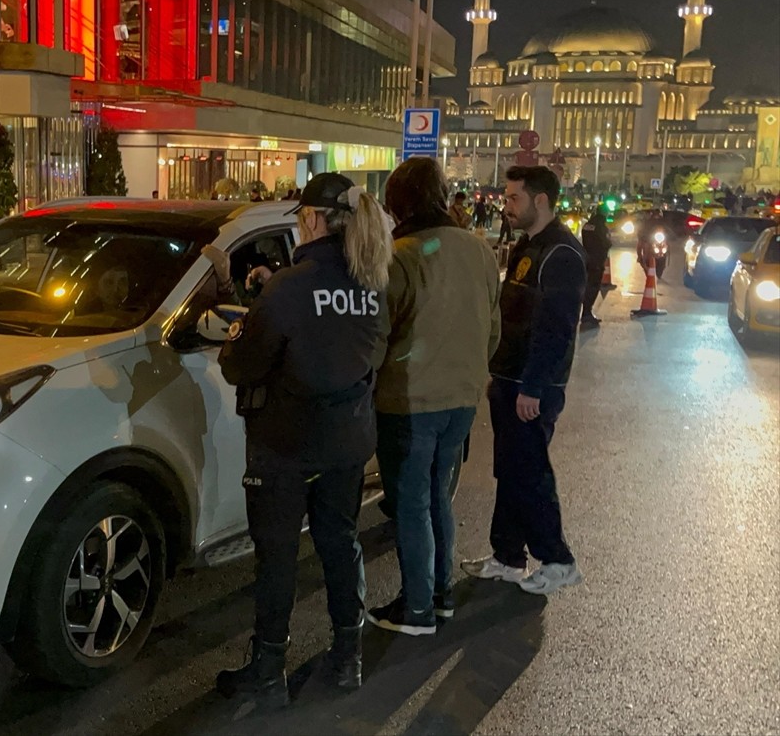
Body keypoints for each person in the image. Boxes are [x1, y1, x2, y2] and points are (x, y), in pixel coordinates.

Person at [214, 173, 393, 707]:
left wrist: (238, 324)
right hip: (347, 438)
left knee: (278, 554)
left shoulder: (289, 287)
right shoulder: (372, 281)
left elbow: (241, 365)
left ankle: (269, 670)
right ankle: (348, 657)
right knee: (340, 542)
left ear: (314, 219)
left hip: (285, 443)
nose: (297, 223)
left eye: (299, 216)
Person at [368, 158, 501, 636]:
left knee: (409, 502)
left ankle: (418, 608)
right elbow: (493, 329)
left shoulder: (399, 255)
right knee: (439, 496)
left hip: (408, 400)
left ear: (396, 204)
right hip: (462, 399)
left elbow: (379, 334)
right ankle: (441, 596)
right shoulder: (479, 250)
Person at [462, 166, 585, 595]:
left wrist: (533, 385)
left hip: (532, 386)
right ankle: (508, 555)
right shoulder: (527, 247)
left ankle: (558, 559)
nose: (506, 206)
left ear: (541, 200)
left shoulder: (562, 254)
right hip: (509, 377)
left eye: (514, 198)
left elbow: (556, 327)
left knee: (531, 474)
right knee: (511, 471)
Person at [580, 206, 612, 326]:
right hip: (597, 261)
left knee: (586, 285)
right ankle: (587, 313)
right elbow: (607, 243)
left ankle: (585, 312)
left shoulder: (587, 225)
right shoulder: (602, 228)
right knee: (593, 286)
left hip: (587, 259)